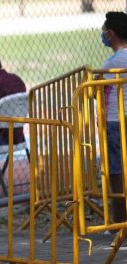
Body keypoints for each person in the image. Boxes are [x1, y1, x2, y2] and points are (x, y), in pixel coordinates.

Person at [100, 11, 127, 225]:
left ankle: (120, 220)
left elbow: (96, 91)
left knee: (116, 170)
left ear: (111, 34)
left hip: (115, 121)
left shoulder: (111, 63)